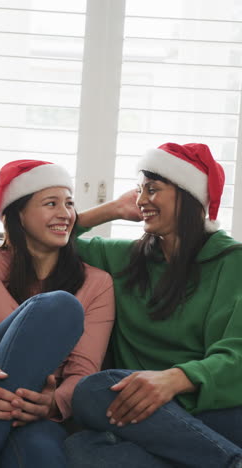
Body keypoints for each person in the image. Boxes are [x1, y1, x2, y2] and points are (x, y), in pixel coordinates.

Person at [64, 143, 242, 468]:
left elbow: (237, 354)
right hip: (146, 416)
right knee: (87, 412)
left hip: (210, 407)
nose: (141, 200)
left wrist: (174, 379)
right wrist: (112, 209)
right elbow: (49, 240)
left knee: (90, 443)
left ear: (187, 196)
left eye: (153, 190)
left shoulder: (232, 261)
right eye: (138, 190)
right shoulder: (125, 258)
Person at [0, 159, 115, 468]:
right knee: (61, 305)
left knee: (41, 452)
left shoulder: (97, 283)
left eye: (69, 204)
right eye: (51, 203)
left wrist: (53, 402)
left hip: (31, 410)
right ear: (18, 215)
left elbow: (83, 371)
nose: (65, 214)